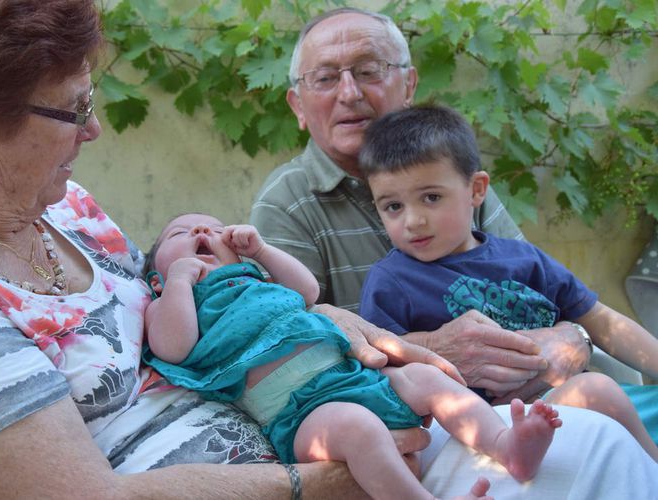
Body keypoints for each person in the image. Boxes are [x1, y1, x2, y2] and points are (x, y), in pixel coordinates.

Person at [0, 1, 656, 499]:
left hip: (322, 420)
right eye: (72, 111)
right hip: (303, 465)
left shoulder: (58, 207)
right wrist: (326, 478)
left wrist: (324, 319)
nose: (95, 130)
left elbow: (185, 308)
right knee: (581, 461)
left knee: (589, 438)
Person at [249, 6, 622, 408]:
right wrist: (429, 348)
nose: (349, 93)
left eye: (369, 70)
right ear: (298, 107)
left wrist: (574, 337)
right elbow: (292, 355)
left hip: (545, 397)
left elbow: (537, 287)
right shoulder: (286, 205)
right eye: (324, 79)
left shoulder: (448, 171)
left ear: (408, 86)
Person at [143, 212, 566, 498]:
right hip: (302, 414)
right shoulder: (170, 303)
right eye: (180, 235)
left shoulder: (255, 275)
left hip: (356, 376)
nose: (201, 234)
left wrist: (261, 252)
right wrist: (180, 281)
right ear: (154, 278)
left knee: (430, 380)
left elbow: (307, 292)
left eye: (214, 228)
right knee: (359, 429)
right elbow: (174, 346)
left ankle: (504, 444)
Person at [358, 104, 658, 461]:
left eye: (431, 197)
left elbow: (602, 321)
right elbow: (379, 366)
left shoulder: (523, 258)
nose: (413, 221)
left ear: (476, 190)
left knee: (611, 396)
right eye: (393, 206)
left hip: (559, 404)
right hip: (482, 429)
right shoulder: (390, 282)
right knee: (598, 391)